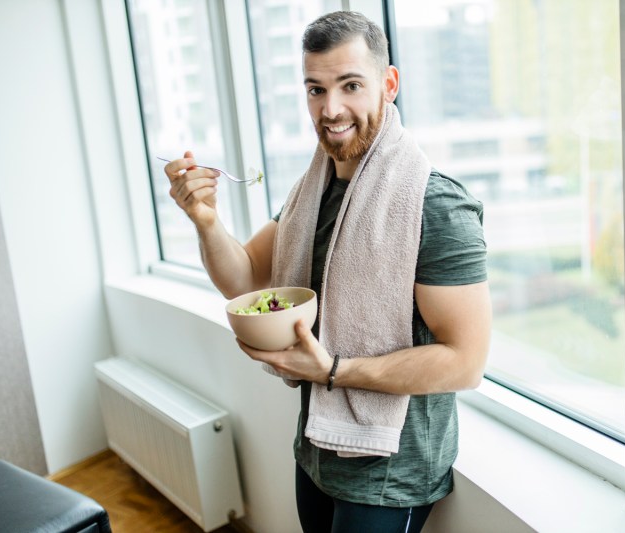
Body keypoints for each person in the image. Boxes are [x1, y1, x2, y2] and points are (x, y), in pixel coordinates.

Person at [164, 11, 491, 533]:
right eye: (315, 89)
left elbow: (466, 362)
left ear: (389, 84)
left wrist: (332, 370)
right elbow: (247, 279)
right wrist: (205, 220)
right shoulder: (310, 192)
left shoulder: (435, 204)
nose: (330, 109)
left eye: (351, 85)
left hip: (390, 473)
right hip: (316, 447)